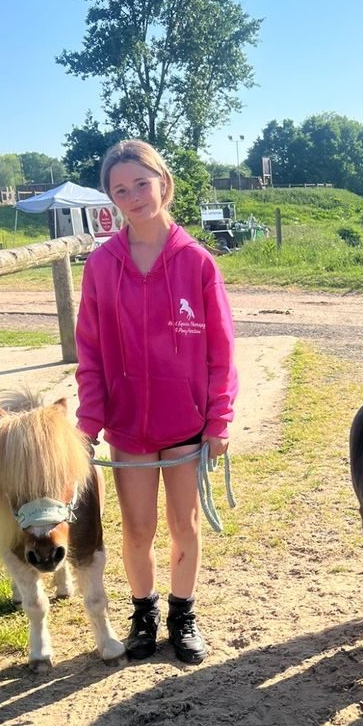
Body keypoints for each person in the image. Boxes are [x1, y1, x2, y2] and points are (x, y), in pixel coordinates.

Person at [75, 140, 238, 663]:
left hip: (186, 423)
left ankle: (182, 613)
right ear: (111, 199)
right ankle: (142, 614)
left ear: (162, 182)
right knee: (138, 526)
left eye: (141, 184)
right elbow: (91, 349)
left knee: (183, 525)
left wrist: (219, 418)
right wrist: (89, 420)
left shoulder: (197, 262)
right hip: (127, 427)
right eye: (120, 190)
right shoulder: (101, 265)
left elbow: (221, 349)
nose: (133, 197)